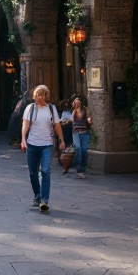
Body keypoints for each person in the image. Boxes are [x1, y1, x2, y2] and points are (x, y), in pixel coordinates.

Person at [21, 85, 67, 213]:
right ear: (34, 96)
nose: (40, 97)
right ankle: (37, 195)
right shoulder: (30, 109)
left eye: (43, 95)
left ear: (46, 96)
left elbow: (57, 125)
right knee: (32, 173)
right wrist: (23, 139)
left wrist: (62, 140)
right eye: (38, 94)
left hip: (47, 144)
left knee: (46, 171)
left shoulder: (51, 109)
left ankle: (44, 200)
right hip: (32, 144)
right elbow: (25, 125)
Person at [70, 95, 93, 178]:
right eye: (75, 102)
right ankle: (79, 168)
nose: (76, 103)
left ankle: (82, 169)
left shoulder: (85, 109)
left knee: (84, 150)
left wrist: (89, 120)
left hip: (85, 132)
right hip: (76, 133)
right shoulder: (74, 111)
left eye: (77, 101)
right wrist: (75, 110)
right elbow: (72, 119)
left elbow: (88, 117)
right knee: (78, 149)